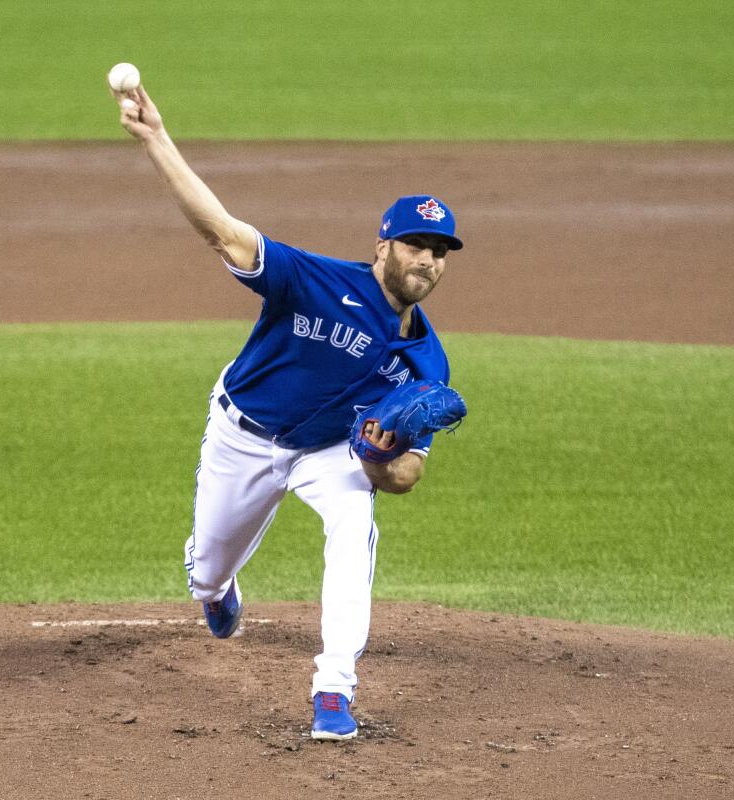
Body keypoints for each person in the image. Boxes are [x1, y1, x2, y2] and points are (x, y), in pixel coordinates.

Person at [114, 84, 464, 741]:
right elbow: (220, 230)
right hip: (241, 435)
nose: (426, 258)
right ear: (383, 245)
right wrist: (156, 138)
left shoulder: (428, 366)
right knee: (205, 571)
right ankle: (219, 590)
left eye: (439, 250)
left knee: (355, 522)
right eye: (416, 243)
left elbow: (407, 476)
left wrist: (379, 454)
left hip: (333, 451)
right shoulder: (314, 279)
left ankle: (333, 689)